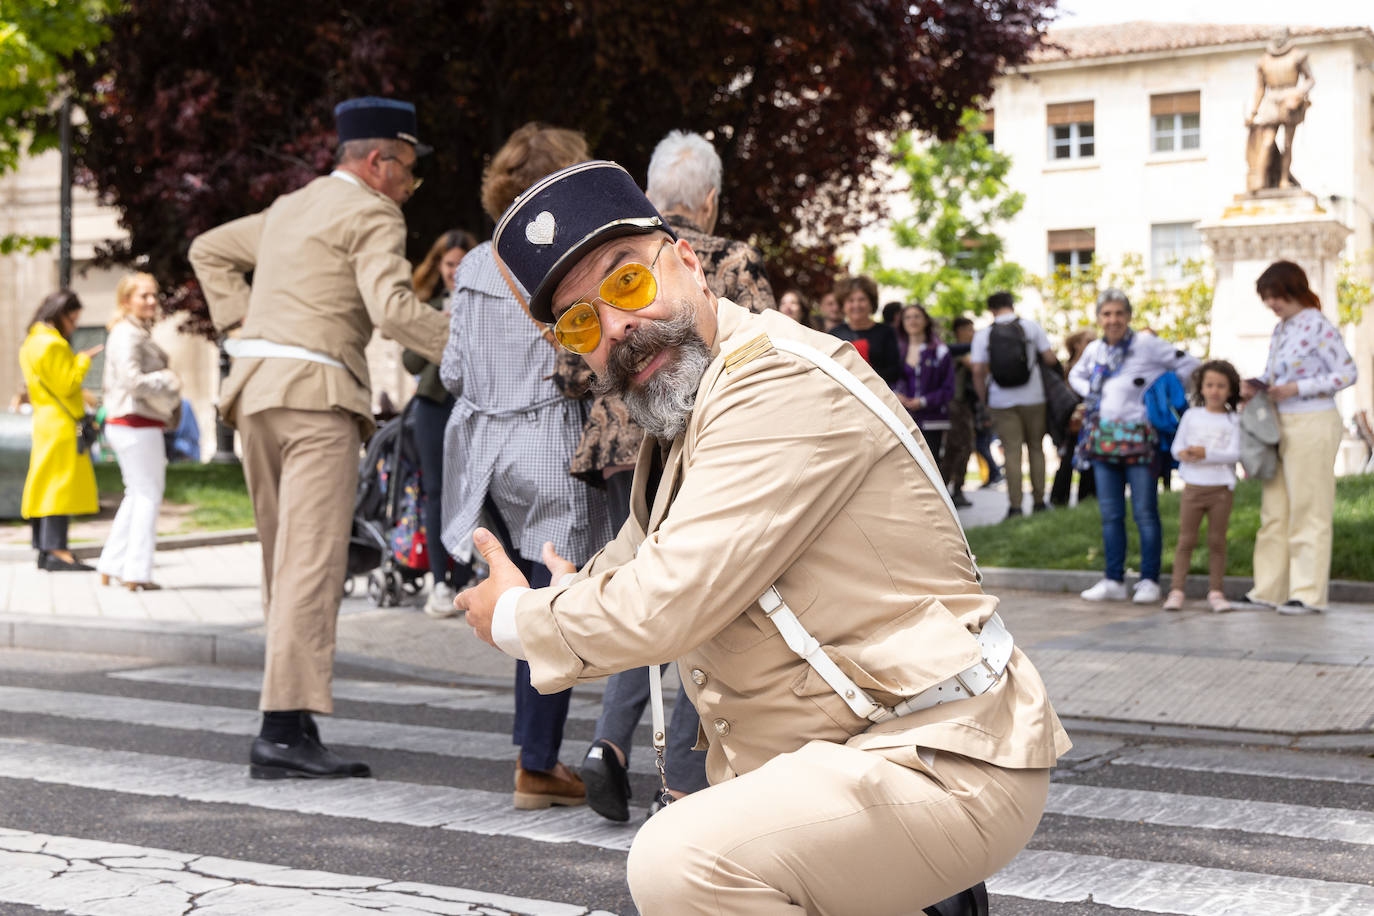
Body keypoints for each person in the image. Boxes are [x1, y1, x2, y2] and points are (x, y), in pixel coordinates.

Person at [457, 160, 1069, 915]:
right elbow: (636, 557)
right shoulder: (689, 410)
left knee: (682, 861)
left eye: (626, 284)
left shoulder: (776, 383)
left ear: (685, 259)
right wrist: (570, 593)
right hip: (844, 763)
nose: (616, 327)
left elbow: (664, 600)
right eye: (582, 323)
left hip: (938, 755)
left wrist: (518, 619)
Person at [189, 96, 449, 779]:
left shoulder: (288, 209)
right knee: (312, 564)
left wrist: (239, 328)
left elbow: (207, 249)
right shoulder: (372, 212)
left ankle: (293, 715)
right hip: (318, 401)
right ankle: (280, 732)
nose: (409, 188)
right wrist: (476, 344)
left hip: (255, 396)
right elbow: (391, 309)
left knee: (284, 562)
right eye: (409, 172)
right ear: (377, 161)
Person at [570, 129, 775, 822]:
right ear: (710, 202)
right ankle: (682, 777)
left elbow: (574, 368)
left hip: (614, 449)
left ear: (652, 196)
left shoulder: (606, 269)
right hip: (694, 440)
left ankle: (607, 745)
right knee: (700, 604)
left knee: (633, 589)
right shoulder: (727, 258)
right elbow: (764, 345)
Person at [438, 123, 612, 810]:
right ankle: (537, 762)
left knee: (519, 590)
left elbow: (453, 369)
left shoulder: (477, 262)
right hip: (547, 440)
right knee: (552, 597)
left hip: (484, 447)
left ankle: (533, 754)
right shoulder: (565, 254)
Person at [1241, 260, 1357, 613]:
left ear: (1294, 290)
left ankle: (1307, 593)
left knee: (1309, 508)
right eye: (1267, 298)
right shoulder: (1282, 329)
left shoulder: (1318, 325)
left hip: (1313, 421)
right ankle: (1269, 589)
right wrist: (1256, 386)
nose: (1272, 304)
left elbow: (1347, 373)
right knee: (1274, 510)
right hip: (1279, 424)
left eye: (1276, 296)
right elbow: (1276, 374)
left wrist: (1298, 388)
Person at [1070, 289, 1198, 605]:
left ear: (1128, 316)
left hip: (1141, 439)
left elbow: (1189, 364)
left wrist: (1165, 393)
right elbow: (1075, 374)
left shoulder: (1146, 344)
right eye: (1106, 314)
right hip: (1103, 440)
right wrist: (1094, 393)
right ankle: (1114, 579)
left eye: (1118, 313)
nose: (1113, 320)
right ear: (1099, 318)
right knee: (1110, 513)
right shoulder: (1095, 349)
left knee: (1144, 511)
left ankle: (1149, 580)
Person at [402, 228, 478, 616]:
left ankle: (464, 579)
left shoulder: (485, 304)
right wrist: (438, 328)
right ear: (439, 266)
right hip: (432, 407)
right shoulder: (428, 306)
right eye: (449, 263)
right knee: (436, 493)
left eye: (463, 263)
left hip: (470, 407)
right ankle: (438, 582)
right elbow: (410, 363)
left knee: (467, 494)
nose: (455, 270)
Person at [95, 273, 182, 591]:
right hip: (134, 423)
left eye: (153, 295)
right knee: (148, 495)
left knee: (137, 494)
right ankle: (136, 571)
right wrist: (168, 380)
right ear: (125, 299)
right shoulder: (127, 334)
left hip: (135, 423)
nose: (150, 301)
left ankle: (112, 563)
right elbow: (133, 381)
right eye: (143, 295)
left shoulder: (132, 332)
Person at [644, 130, 774, 314]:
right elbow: (770, 340)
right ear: (710, 201)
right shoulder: (741, 260)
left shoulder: (627, 260)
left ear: (646, 198)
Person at [19, 290, 102, 572]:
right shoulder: (51, 344)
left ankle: (45, 549)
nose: (75, 326)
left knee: (45, 484)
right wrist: (82, 361)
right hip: (61, 425)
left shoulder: (31, 342)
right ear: (61, 314)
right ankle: (56, 550)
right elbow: (67, 385)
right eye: (74, 319)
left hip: (46, 422)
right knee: (58, 487)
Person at [1164, 360, 1242, 613]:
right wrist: (1186, 454)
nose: (1215, 391)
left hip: (1220, 489)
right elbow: (1176, 447)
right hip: (1193, 488)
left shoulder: (1234, 420)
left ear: (1230, 389)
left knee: (1217, 541)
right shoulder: (1191, 415)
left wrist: (1206, 453)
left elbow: (1235, 454)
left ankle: (1216, 591)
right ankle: (1177, 590)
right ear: (1202, 388)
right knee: (1186, 540)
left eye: (1221, 386)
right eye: (1210, 385)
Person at [971, 291, 1058, 517]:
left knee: (1011, 452)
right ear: (1012, 304)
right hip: (1034, 397)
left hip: (1001, 400)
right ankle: (1039, 502)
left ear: (991, 310)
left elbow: (978, 370)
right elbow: (1050, 359)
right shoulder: (1031, 327)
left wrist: (984, 399)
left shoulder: (984, 335)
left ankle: (1015, 506)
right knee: (1036, 448)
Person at [892, 303, 954, 461]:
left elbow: (948, 389)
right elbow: (888, 380)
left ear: (926, 320)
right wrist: (895, 395)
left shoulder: (940, 351)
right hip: (902, 418)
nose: (912, 321)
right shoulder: (896, 351)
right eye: (908, 317)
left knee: (931, 465)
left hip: (932, 419)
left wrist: (923, 401)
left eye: (917, 316)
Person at [1049, 329, 1097, 507]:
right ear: (1076, 345)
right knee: (1068, 460)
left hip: (1091, 422)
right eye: (1089, 340)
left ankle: (1088, 497)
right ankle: (1059, 499)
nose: (1094, 344)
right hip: (1070, 423)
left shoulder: (1095, 367)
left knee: (1090, 460)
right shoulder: (1066, 369)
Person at [830, 275, 901, 385]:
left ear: (871, 303)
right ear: (843, 305)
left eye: (861, 299)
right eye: (850, 300)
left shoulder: (886, 332)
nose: (856, 305)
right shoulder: (834, 334)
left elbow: (894, 370)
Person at [942, 316, 977, 507]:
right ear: (960, 331)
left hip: (964, 404)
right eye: (970, 330)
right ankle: (950, 488)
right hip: (955, 404)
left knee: (960, 447)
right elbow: (973, 365)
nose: (973, 334)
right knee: (958, 446)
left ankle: (953, 488)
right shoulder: (957, 351)